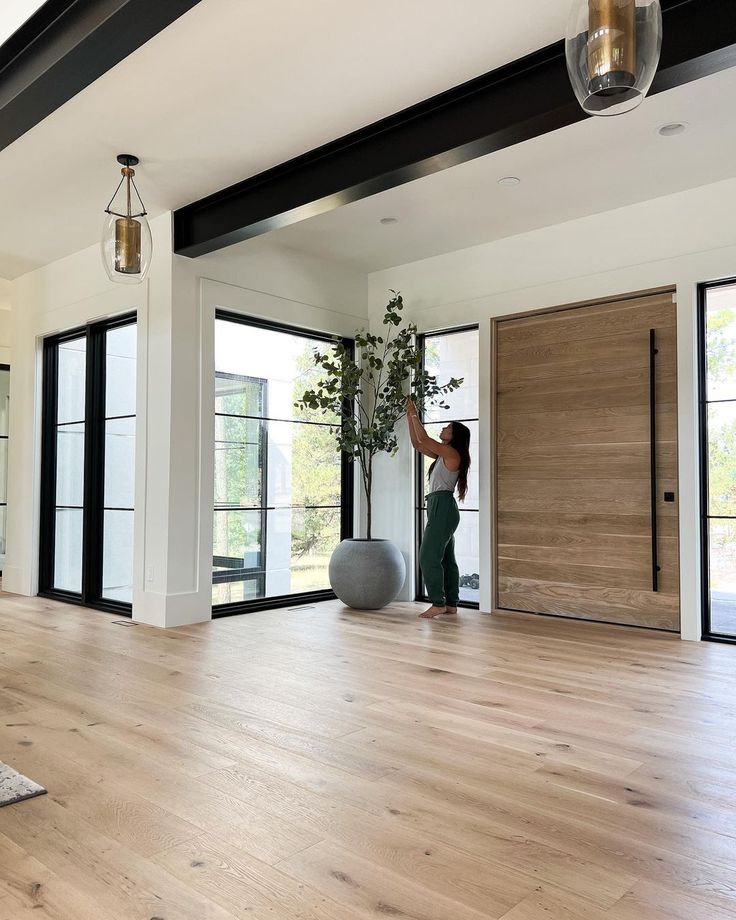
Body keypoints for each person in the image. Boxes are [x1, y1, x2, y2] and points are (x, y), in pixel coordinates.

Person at [406, 399, 471, 619]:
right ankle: (451, 603)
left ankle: (438, 602)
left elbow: (424, 438)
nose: (443, 428)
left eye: (448, 428)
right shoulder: (444, 454)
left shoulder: (453, 454)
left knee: (427, 556)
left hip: (442, 507)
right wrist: (409, 416)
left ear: (455, 436)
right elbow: (417, 443)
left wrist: (415, 414)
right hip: (440, 507)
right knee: (445, 559)